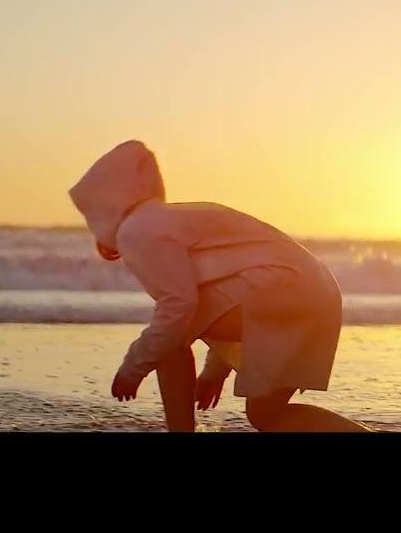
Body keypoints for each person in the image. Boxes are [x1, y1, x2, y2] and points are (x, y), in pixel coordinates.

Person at [68, 139, 372, 432]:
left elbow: (179, 308)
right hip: (318, 291)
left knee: (169, 339)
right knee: (267, 415)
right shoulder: (171, 218)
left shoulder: (138, 228)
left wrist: (132, 368)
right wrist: (215, 371)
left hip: (282, 287)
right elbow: (225, 292)